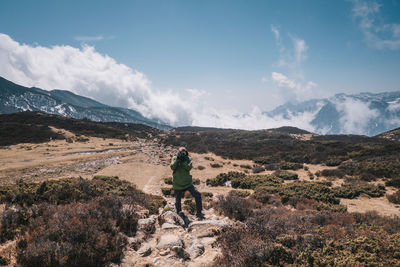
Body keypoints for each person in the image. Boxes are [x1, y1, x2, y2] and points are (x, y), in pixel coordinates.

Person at [170, 147, 204, 220]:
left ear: (186, 152)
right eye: (181, 152)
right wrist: (178, 160)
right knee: (177, 201)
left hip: (187, 183)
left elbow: (188, 168)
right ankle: (179, 214)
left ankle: (199, 212)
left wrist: (183, 161)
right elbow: (172, 167)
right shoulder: (175, 158)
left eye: (184, 152)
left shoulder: (188, 159)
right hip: (177, 183)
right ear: (178, 152)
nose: (183, 153)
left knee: (197, 194)